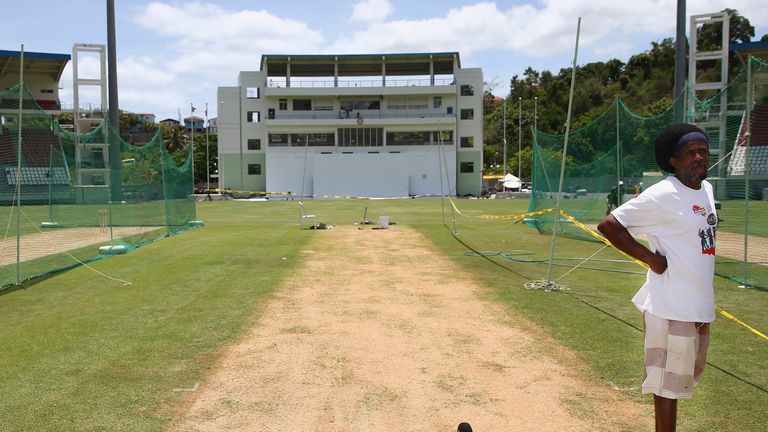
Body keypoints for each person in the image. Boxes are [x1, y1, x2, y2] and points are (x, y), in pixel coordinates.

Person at [597, 123, 716, 432]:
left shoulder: (707, 189)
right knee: (666, 387)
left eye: (703, 150)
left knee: (682, 381)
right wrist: (650, 259)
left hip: (698, 305)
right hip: (669, 306)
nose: (699, 157)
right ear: (673, 161)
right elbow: (610, 225)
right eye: (690, 152)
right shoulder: (662, 194)